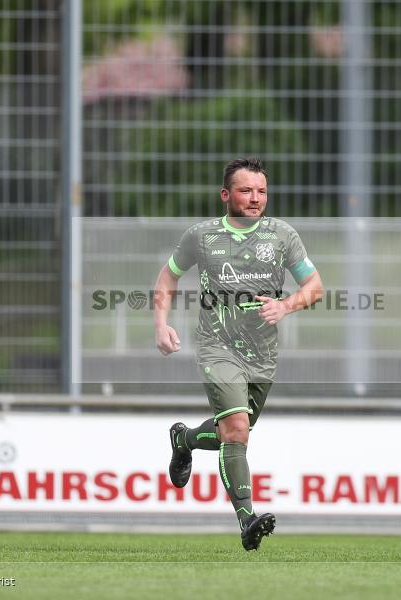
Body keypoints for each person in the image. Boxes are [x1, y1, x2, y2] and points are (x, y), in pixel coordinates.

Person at [154, 157, 323, 550]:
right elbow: (168, 275)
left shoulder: (282, 235)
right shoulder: (202, 236)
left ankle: (184, 440)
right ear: (225, 195)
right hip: (217, 346)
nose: (255, 198)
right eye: (246, 190)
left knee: (231, 433)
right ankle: (247, 520)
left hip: (263, 354)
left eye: (261, 191)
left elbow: (315, 286)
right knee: (237, 432)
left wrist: (285, 306)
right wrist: (161, 324)